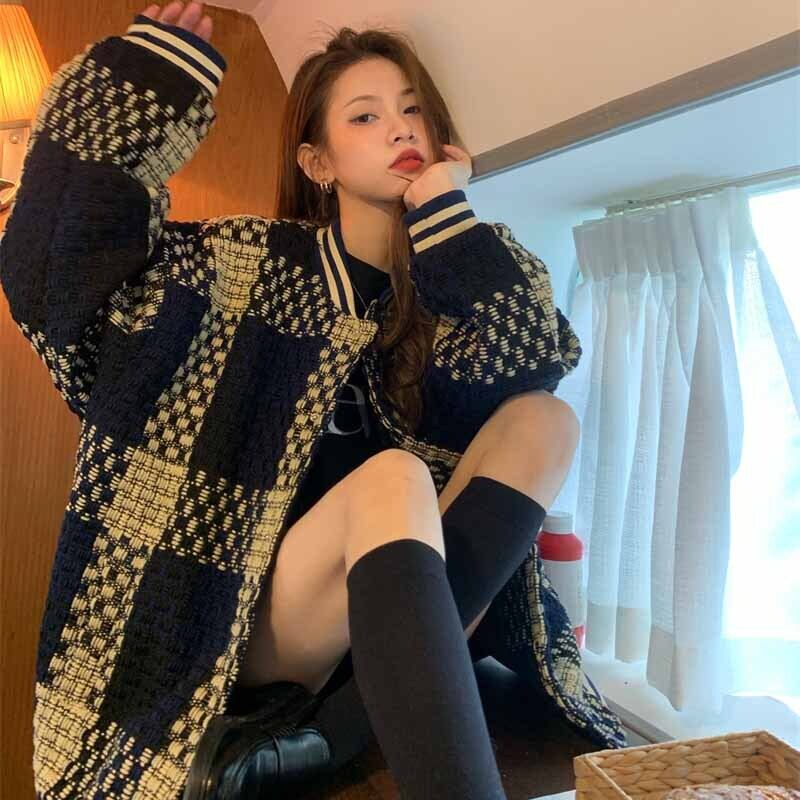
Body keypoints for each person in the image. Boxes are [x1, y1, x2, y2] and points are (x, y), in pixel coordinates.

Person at [0, 2, 626, 798]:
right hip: (236, 619)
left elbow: (531, 356)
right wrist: (141, 89)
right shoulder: (241, 266)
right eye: (365, 116)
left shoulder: (460, 271)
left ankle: (334, 732)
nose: (399, 130)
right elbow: (57, 289)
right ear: (317, 161)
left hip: (403, 618)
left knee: (545, 416)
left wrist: (445, 214)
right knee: (393, 478)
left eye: (413, 112)